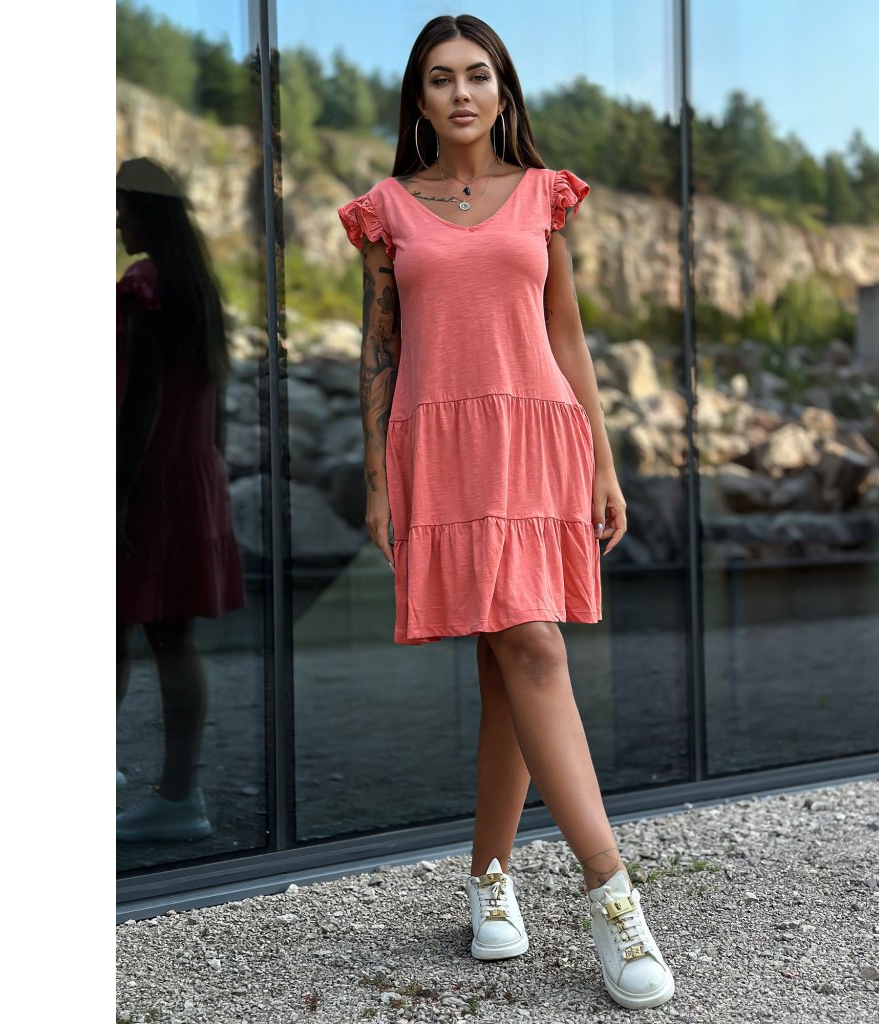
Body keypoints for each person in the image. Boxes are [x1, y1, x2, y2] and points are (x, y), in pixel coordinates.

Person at [337, 14, 674, 1011]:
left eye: (477, 75)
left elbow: (565, 332)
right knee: (520, 655)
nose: (461, 93)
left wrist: (603, 460)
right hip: (441, 446)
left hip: (536, 436)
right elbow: (379, 348)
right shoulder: (387, 210)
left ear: (502, 90)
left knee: (519, 655)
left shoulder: (542, 195)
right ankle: (583, 890)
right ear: (419, 98)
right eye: (441, 79)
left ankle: (538, 886)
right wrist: (376, 475)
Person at [116, 157, 246, 842]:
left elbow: (140, 401)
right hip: (193, 475)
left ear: (147, 212)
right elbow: (209, 404)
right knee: (166, 638)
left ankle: (176, 799)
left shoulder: (145, 284)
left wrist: (115, 498)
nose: (117, 222)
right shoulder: (197, 286)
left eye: (122, 208)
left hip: (152, 481)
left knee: (137, 632)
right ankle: (178, 792)